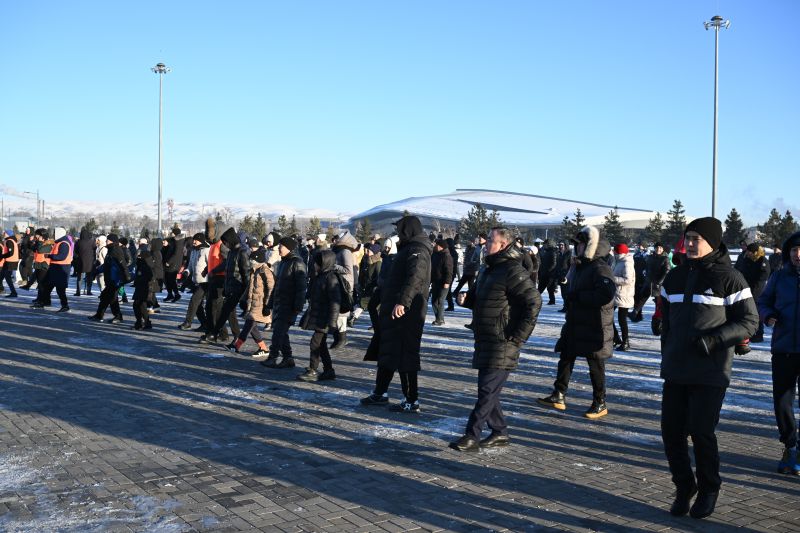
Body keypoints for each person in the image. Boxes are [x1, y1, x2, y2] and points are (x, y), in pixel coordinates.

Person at [659, 217, 758, 519]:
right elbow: (665, 317)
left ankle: (709, 487)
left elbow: (749, 321)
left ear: (712, 242)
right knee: (671, 433)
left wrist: (714, 341)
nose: (689, 244)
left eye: (696, 239)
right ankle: (684, 485)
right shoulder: (674, 277)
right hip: (676, 368)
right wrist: (662, 332)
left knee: (701, 432)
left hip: (710, 370)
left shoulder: (730, 277)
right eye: (687, 238)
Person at [449, 227, 541, 451]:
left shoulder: (512, 270)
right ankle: (500, 432)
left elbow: (534, 302)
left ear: (502, 245)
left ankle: (472, 436)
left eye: (490, 240)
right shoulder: (489, 269)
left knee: (487, 391)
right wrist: (468, 300)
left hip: (503, 341)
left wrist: (519, 337)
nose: (485, 243)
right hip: (486, 338)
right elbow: (489, 300)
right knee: (489, 391)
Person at [538, 226, 615, 419]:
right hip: (576, 321)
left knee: (595, 363)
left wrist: (579, 296)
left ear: (589, 245)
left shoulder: (600, 267)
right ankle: (559, 394)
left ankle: (600, 402)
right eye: (575, 244)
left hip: (594, 324)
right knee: (566, 356)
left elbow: (606, 294)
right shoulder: (581, 266)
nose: (576, 247)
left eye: (579, 244)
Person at [361, 215, 432, 413]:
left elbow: (415, 278)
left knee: (405, 354)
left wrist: (403, 302)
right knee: (388, 350)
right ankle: (380, 392)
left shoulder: (417, 250)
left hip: (406, 312)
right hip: (393, 310)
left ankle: (412, 399)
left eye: (400, 229)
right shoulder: (409, 248)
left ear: (408, 230)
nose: (397, 233)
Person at [757, 231, 800, 476]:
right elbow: (764, 301)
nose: (798, 254)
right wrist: (767, 315)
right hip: (783, 348)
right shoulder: (779, 276)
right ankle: (790, 444)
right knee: (782, 401)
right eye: (794, 250)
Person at [261, 237, 307, 369]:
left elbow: (301, 287)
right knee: (280, 332)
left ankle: (273, 357)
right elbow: (277, 285)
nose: (279, 248)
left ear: (289, 248)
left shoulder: (297, 263)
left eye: (281, 246)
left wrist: (298, 305)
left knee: (278, 332)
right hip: (280, 303)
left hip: (289, 304)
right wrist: (269, 303)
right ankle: (288, 358)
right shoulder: (283, 263)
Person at [297, 249, 341, 382]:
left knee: (315, 344)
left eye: (317, 263)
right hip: (319, 316)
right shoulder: (320, 276)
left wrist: (332, 322)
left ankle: (313, 370)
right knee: (320, 345)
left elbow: (335, 302)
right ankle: (329, 371)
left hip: (325, 318)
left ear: (325, 263)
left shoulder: (331, 278)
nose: (315, 265)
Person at [202, 227, 250, 343]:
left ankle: (215, 333)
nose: (225, 245)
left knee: (226, 311)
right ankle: (236, 336)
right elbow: (225, 266)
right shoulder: (231, 253)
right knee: (229, 312)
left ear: (232, 240)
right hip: (230, 287)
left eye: (226, 242)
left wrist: (247, 292)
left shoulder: (242, 253)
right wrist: (213, 270)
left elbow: (246, 273)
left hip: (238, 288)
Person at [227, 247, 273, 356]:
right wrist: (243, 299)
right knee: (252, 327)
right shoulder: (254, 271)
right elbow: (249, 288)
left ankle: (236, 345)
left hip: (261, 304)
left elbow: (271, 288)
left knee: (249, 325)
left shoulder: (265, 271)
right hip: (253, 303)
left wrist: (267, 304)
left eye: (252, 260)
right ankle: (263, 348)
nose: (250, 262)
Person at [88, 234, 128, 323]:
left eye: (108, 240)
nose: (106, 241)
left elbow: (122, 265)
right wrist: (97, 270)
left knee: (112, 299)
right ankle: (99, 315)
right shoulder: (111, 250)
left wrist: (124, 277)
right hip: (110, 279)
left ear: (112, 241)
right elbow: (106, 265)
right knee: (105, 297)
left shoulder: (116, 250)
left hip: (114, 280)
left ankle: (118, 316)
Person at [736, 243, 770, 344]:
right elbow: (741, 271)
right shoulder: (747, 259)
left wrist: (754, 291)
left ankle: (758, 334)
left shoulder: (762, 261)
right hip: (746, 289)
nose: (748, 253)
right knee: (746, 312)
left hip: (757, 291)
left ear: (755, 252)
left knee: (756, 312)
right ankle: (747, 333)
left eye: (750, 252)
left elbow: (763, 277)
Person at [34, 227, 72, 312]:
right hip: (55, 268)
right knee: (47, 286)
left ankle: (65, 305)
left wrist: (49, 256)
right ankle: (45, 302)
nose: (53, 235)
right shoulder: (58, 242)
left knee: (60, 290)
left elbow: (61, 256)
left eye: (55, 233)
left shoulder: (64, 243)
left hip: (61, 269)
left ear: (59, 234)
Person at [179, 233, 210, 331]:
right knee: (198, 305)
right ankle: (204, 324)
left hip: (205, 282)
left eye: (196, 240)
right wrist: (186, 272)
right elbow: (190, 266)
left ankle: (188, 322)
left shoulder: (206, 250)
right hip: (195, 281)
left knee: (194, 301)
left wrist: (207, 272)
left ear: (201, 240)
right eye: (193, 240)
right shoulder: (193, 251)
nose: (194, 241)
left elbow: (211, 265)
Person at [611, 243, 635, 351]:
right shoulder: (617, 261)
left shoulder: (627, 263)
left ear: (618, 252)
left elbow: (627, 280)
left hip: (624, 295)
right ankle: (616, 338)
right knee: (607, 317)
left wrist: (613, 279)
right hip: (616, 294)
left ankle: (625, 342)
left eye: (615, 250)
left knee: (622, 320)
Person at [430, 239, 453, 326]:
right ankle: (439, 318)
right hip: (436, 281)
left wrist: (447, 282)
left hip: (443, 283)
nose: (435, 245)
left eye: (436, 244)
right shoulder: (436, 254)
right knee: (434, 301)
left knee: (440, 300)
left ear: (441, 246)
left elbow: (449, 270)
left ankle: (439, 320)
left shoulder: (447, 256)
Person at [132, 250, 157, 330]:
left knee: (139, 305)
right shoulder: (142, 264)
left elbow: (150, 277)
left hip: (145, 288)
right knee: (138, 305)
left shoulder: (146, 265)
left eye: (140, 255)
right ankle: (143, 322)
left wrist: (139, 280)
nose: (138, 256)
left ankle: (143, 323)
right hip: (141, 287)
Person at [163, 227, 186, 302]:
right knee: (167, 279)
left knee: (171, 280)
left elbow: (176, 254)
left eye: (172, 232)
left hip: (174, 264)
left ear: (175, 233)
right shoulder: (175, 240)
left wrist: (169, 262)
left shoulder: (178, 242)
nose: (171, 233)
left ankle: (177, 294)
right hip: (173, 263)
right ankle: (170, 294)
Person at [537, 239, 557, 305]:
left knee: (549, 288)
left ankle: (552, 300)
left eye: (545, 244)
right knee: (541, 288)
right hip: (545, 273)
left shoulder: (552, 252)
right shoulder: (547, 252)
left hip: (549, 274)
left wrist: (548, 270)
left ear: (548, 244)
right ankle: (536, 299)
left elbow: (554, 263)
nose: (544, 245)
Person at [0, 229, 20, 298]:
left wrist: (2, 256)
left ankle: (14, 292)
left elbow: (10, 253)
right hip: (8, 261)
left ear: (8, 234)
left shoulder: (9, 241)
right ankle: (1, 289)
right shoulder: (10, 240)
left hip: (11, 262)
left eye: (5, 233)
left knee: (7, 278)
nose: (4, 234)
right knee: (1, 275)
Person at [555, 241, 573, 312]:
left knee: (566, 293)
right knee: (563, 293)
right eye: (560, 245)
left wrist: (568, 275)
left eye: (562, 245)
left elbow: (571, 266)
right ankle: (565, 306)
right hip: (560, 275)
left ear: (566, 245)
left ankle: (567, 307)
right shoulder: (559, 253)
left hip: (566, 276)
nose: (561, 246)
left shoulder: (569, 254)